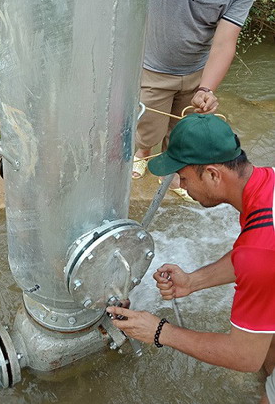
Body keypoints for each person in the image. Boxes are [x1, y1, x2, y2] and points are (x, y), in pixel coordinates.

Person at [109, 113, 275, 403]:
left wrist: (160, 331)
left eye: (183, 177)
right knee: (267, 338)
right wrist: (192, 282)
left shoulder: (260, 249)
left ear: (212, 175)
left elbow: (244, 356)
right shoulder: (266, 184)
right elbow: (253, 257)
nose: (181, 186)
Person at [133, 0, 263, 197]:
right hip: (151, 67)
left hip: (195, 71)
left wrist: (207, 88)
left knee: (182, 129)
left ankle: (176, 173)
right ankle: (139, 156)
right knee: (146, 125)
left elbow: (223, 42)